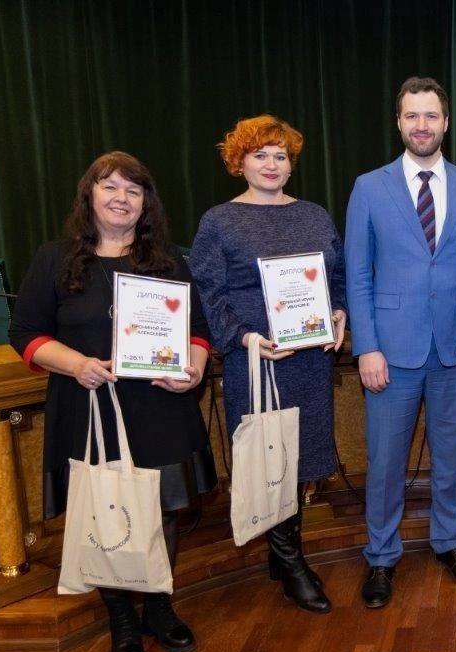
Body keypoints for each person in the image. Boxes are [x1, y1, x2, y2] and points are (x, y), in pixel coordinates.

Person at [9, 151, 216, 652]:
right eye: (110, 187)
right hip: (88, 408)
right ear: (90, 195)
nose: (122, 198)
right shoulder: (53, 259)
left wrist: (192, 371)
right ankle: (121, 617)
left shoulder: (168, 261)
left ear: (146, 203)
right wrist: (75, 364)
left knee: (163, 510)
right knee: (106, 512)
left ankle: (159, 608)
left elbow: (197, 331)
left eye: (133, 190)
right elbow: (25, 333)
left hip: (159, 407)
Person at [345, 76, 456, 608]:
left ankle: (449, 543)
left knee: (451, 457)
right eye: (412, 115)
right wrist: (366, 346)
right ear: (399, 122)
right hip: (391, 350)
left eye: (431, 115)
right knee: (386, 461)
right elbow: (358, 273)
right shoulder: (369, 187)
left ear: (446, 123)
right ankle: (381, 556)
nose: (422, 125)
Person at [189, 115, 347, 614]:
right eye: (260, 155)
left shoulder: (315, 216)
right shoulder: (219, 221)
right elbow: (209, 294)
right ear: (239, 162)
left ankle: (283, 555)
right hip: (256, 361)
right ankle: (291, 563)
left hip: (309, 361)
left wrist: (339, 313)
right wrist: (244, 337)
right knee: (269, 457)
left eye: (281, 155)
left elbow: (338, 277)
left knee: (300, 457)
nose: (272, 164)